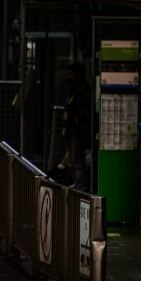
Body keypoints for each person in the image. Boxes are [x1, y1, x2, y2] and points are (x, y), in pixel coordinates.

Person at [57, 61, 90, 191]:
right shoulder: (73, 91)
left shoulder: (82, 92)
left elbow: (81, 115)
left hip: (77, 134)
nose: (68, 77)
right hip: (70, 133)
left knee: (77, 162)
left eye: (71, 74)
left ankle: (81, 187)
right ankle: (77, 184)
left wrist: (76, 131)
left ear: (78, 76)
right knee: (72, 161)